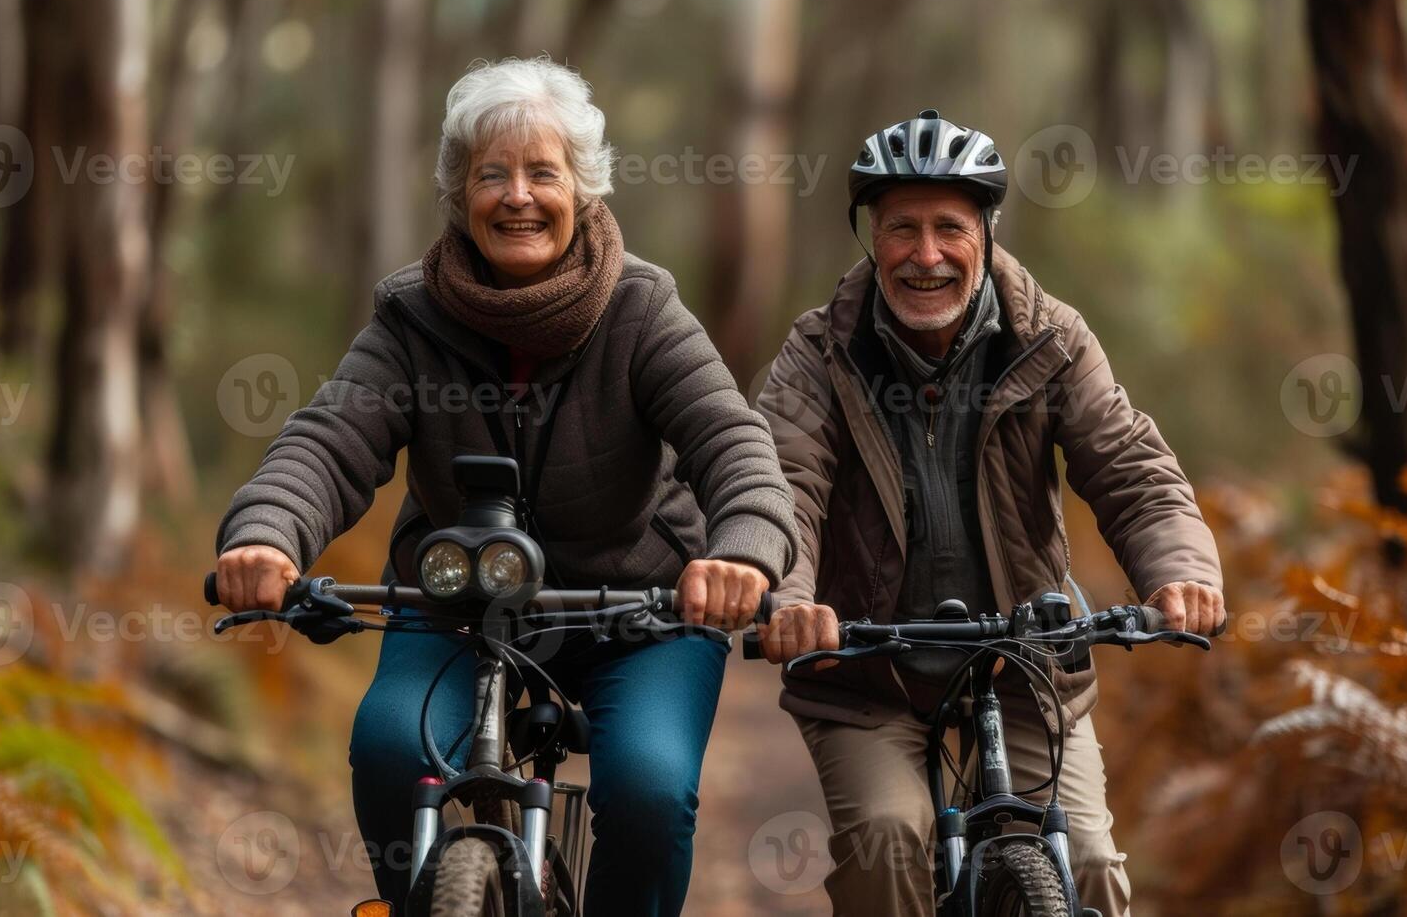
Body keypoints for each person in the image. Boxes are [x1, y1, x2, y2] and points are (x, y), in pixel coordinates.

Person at [212, 56, 799, 915]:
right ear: (460, 193)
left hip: (632, 612)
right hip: (456, 598)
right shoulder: (412, 316)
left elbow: (734, 443)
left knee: (645, 790)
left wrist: (743, 552)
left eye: (541, 172)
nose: (517, 195)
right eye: (492, 175)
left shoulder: (642, 309)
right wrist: (265, 532)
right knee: (386, 750)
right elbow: (330, 442)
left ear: (583, 187)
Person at [754, 110, 1225, 916]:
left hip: (1028, 664)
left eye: (948, 228)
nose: (925, 255)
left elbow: (1131, 472)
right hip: (869, 673)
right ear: (870, 234)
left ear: (987, 231)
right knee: (887, 840)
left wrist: (1181, 573)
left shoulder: (1050, 340)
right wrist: (789, 599)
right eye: (902, 228)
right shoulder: (818, 353)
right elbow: (782, 484)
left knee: (1089, 865)